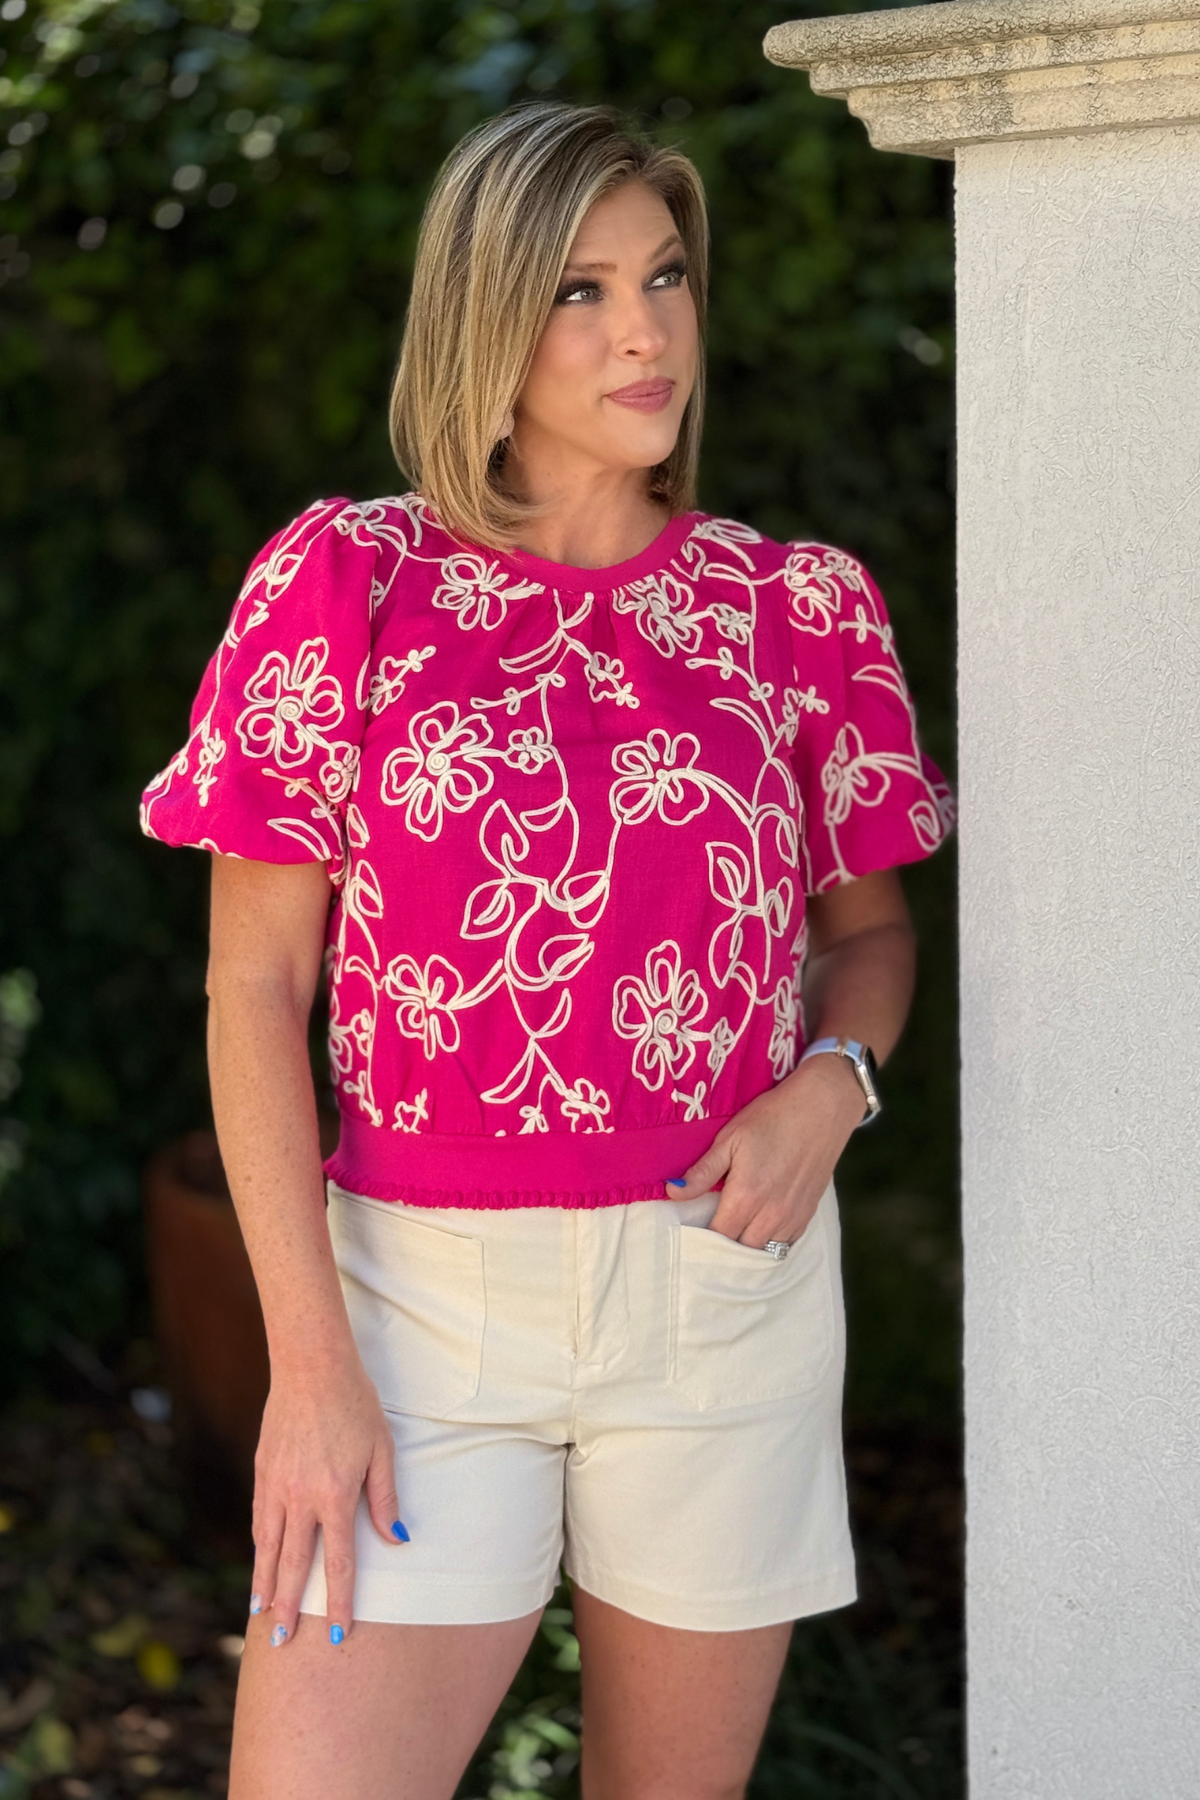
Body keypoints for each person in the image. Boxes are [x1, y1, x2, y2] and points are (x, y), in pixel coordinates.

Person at [141, 100, 951, 1800]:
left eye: (664, 276)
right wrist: (309, 1368)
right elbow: (253, 986)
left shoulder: (796, 610)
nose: (645, 330)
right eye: (580, 290)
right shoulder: (345, 584)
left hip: (720, 1291)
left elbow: (868, 931)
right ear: (485, 319)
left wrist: (834, 1083)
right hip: (415, 1309)